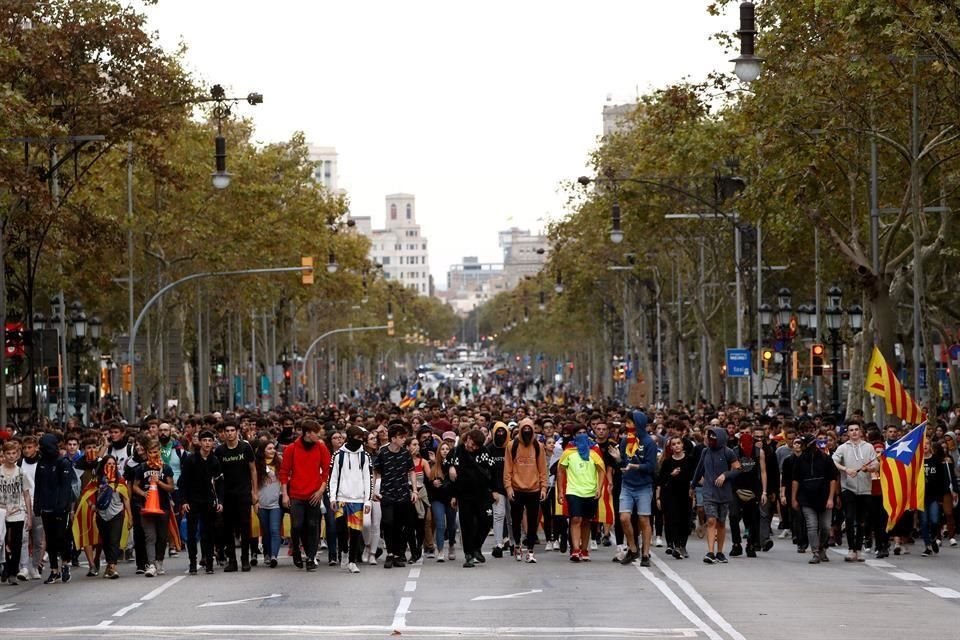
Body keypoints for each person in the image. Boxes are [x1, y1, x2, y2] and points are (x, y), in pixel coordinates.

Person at [280, 419, 331, 572]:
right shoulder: (292, 449)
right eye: (317, 433)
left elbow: (327, 471)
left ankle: (310, 556)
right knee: (297, 526)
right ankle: (296, 549)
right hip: (296, 494)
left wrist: (321, 490)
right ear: (308, 434)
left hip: (314, 494)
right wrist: (285, 494)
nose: (319, 436)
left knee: (313, 525)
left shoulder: (321, 448)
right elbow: (284, 472)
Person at [691, 426, 741, 564]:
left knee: (721, 522)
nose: (710, 439)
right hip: (708, 492)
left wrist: (726, 475)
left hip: (724, 493)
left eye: (713, 437)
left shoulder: (728, 452)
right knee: (711, 520)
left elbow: (738, 469)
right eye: (708, 436)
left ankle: (720, 552)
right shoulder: (705, 452)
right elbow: (699, 469)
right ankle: (710, 552)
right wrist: (693, 485)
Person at [446, 428, 495, 568]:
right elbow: (445, 465)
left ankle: (476, 547)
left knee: (486, 522)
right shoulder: (457, 451)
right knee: (467, 524)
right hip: (464, 494)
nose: (471, 447)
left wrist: (494, 490)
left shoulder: (484, 452)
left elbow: (491, 471)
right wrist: (451, 468)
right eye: (470, 443)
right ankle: (468, 554)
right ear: (467, 439)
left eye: (474, 446)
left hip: (482, 493)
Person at [215, 419, 258, 572]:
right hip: (227, 494)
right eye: (227, 431)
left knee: (245, 527)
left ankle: (245, 559)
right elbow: (216, 474)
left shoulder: (245, 447)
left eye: (232, 430)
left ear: (238, 432)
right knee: (228, 528)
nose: (229, 433)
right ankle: (232, 560)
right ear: (224, 433)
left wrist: (254, 491)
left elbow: (253, 469)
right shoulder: (219, 451)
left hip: (244, 493)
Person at [558, 424, 605, 562]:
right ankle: (575, 549)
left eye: (585, 432)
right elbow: (561, 470)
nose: (582, 435)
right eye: (579, 433)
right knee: (576, 519)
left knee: (586, 521)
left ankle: (584, 549)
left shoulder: (594, 451)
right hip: (573, 491)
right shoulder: (569, 452)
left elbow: (601, 469)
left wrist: (599, 487)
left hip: (590, 491)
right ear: (574, 436)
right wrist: (561, 491)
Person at [329, 425, 373, 573]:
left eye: (362, 438)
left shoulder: (365, 456)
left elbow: (368, 479)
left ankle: (353, 561)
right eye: (357, 438)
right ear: (349, 438)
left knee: (355, 532)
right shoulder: (338, 455)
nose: (360, 441)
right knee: (341, 530)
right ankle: (344, 552)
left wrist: (367, 501)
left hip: (358, 500)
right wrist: (332, 498)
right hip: (341, 498)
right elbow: (333, 478)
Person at [179, 430, 224, 575]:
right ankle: (193, 562)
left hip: (209, 501)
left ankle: (209, 562)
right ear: (199, 442)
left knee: (208, 533)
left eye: (209, 441)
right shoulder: (190, 460)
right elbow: (183, 482)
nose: (207, 443)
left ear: (213, 443)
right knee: (192, 534)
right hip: (192, 501)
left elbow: (219, 483)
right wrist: (184, 500)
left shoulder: (214, 461)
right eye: (204, 440)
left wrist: (220, 501)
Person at [503, 417, 547, 563]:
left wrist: (543, 488)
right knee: (515, 520)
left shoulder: (538, 446)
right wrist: (508, 488)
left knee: (533, 521)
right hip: (516, 489)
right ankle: (517, 545)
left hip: (534, 489)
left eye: (529, 429)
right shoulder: (512, 445)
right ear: (520, 430)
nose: (527, 431)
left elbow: (542, 469)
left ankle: (531, 551)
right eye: (524, 429)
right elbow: (507, 469)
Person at [34, 433, 76, 584]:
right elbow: (38, 486)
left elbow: (66, 487)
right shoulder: (42, 464)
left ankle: (65, 564)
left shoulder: (63, 462)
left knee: (62, 537)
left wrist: (63, 506)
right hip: (46, 506)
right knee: (50, 540)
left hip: (60, 508)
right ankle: (54, 570)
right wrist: (36, 505)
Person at [831, 423, 877, 561]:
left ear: (861, 432)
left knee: (862, 520)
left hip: (865, 489)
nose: (854, 432)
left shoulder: (868, 447)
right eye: (851, 430)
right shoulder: (843, 448)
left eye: (856, 430)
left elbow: (876, 464)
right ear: (848, 433)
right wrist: (845, 469)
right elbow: (833, 461)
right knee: (850, 518)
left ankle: (859, 548)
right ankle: (851, 549)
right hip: (848, 488)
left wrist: (870, 468)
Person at [617, 411, 657, 566]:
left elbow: (651, 466)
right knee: (624, 518)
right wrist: (618, 460)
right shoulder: (625, 441)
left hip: (644, 486)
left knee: (643, 519)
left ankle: (645, 553)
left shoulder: (649, 443)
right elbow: (622, 462)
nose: (627, 426)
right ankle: (633, 548)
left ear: (638, 423)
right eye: (626, 423)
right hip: (627, 485)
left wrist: (635, 466)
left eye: (630, 423)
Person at [791, 433, 839, 564]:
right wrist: (794, 498)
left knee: (825, 526)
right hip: (806, 498)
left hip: (824, 497)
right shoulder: (800, 460)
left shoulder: (826, 459)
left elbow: (832, 480)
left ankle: (822, 546)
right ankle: (815, 552)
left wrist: (831, 498)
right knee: (811, 526)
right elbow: (795, 480)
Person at [374, 423, 416, 569]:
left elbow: (411, 471)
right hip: (387, 493)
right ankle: (390, 554)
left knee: (399, 525)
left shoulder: (405, 454)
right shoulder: (382, 452)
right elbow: (377, 471)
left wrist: (414, 490)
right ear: (393, 438)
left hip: (403, 493)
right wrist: (374, 490)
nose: (404, 439)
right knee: (388, 522)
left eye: (405, 437)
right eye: (401, 437)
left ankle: (398, 555)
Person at [131, 439, 174, 577]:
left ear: (160, 452)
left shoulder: (166, 468)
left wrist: (158, 482)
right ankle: (151, 564)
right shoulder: (141, 468)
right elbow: (134, 486)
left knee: (162, 536)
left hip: (163, 507)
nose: (153, 455)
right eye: (150, 452)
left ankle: (159, 562)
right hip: (146, 508)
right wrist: (144, 493)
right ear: (147, 453)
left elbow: (171, 487)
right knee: (150, 537)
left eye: (156, 452)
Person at [657, 436, 695, 560]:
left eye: (679, 443)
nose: (677, 446)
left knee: (685, 520)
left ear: (683, 445)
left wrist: (693, 490)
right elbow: (661, 480)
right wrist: (671, 475)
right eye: (674, 444)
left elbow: (693, 477)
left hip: (685, 494)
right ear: (671, 447)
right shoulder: (667, 462)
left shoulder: (689, 460)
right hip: (670, 494)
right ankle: (672, 544)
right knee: (671, 519)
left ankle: (682, 545)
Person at [0, 441, 33, 586]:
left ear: (17, 454)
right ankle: (5, 566)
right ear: (3, 454)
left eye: (14, 453)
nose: (11, 456)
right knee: (3, 542)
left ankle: (13, 572)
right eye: (8, 453)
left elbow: (26, 495)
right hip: (2, 512)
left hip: (18, 512)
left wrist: (29, 516)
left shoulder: (21, 473)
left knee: (17, 543)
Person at [94, 455, 131, 579]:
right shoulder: (97, 480)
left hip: (117, 513)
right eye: (108, 464)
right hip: (102, 515)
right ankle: (109, 566)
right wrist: (92, 507)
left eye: (113, 464)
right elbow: (87, 494)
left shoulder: (120, 481)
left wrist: (130, 516)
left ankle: (113, 566)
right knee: (106, 541)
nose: (111, 466)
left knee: (114, 540)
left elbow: (126, 499)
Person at [427, 438, 457, 562]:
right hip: (437, 499)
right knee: (440, 524)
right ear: (439, 451)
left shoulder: (453, 466)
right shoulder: (434, 467)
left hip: (450, 499)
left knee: (452, 526)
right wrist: (433, 483)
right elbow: (428, 484)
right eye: (442, 449)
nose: (445, 451)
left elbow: (457, 483)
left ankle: (451, 545)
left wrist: (455, 496)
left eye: (447, 449)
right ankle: (440, 550)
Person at [487, 421, 513, 558]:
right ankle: (498, 545)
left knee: (511, 517)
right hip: (497, 489)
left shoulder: (511, 447)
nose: (501, 434)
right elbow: (486, 471)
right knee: (498, 516)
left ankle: (514, 543)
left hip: (512, 488)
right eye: (498, 431)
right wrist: (492, 490)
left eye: (503, 431)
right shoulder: (489, 449)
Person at [256, 440, 283, 568]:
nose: (273, 451)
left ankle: (274, 556)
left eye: (274, 448)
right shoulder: (257, 465)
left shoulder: (280, 463)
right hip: (261, 503)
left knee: (274, 530)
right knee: (266, 531)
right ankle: (267, 553)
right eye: (269, 449)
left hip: (276, 504)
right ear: (263, 451)